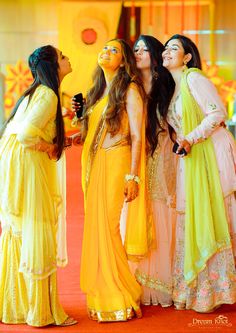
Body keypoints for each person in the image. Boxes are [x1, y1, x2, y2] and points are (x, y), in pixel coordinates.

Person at [0, 45, 77, 326]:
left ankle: (18, 305)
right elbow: (27, 135)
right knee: (36, 228)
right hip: (27, 164)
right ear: (52, 66)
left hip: (17, 163)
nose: (67, 58)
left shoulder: (37, 92)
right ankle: (40, 312)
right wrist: (50, 147)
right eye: (62, 56)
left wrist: (60, 140)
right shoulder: (47, 94)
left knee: (21, 231)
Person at [78, 39, 151, 322]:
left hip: (118, 161)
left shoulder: (129, 89)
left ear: (122, 61)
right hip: (97, 163)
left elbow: (136, 136)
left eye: (114, 50)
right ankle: (105, 294)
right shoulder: (98, 93)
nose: (106, 52)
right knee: (96, 228)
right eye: (105, 48)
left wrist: (133, 176)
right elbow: (93, 133)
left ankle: (120, 294)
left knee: (108, 227)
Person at [162, 34, 236, 313]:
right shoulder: (174, 87)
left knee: (216, 213)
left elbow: (217, 114)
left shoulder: (194, 78)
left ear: (187, 57)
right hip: (191, 155)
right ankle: (196, 288)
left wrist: (190, 138)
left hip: (211, 152)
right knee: (192, 214)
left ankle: (215, 289)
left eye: (174, 48)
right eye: (165, 49)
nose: (166, 52)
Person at [132, 35, 177, 307]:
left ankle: (160, 281)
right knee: (137, 213)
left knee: (160, 211)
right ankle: (136, 280)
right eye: (135, 49)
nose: (138, 52)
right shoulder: (131, 85)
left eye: (144, 49)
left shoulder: (165, 87)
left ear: (156, 55)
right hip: (136, 160)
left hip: (161, 157)